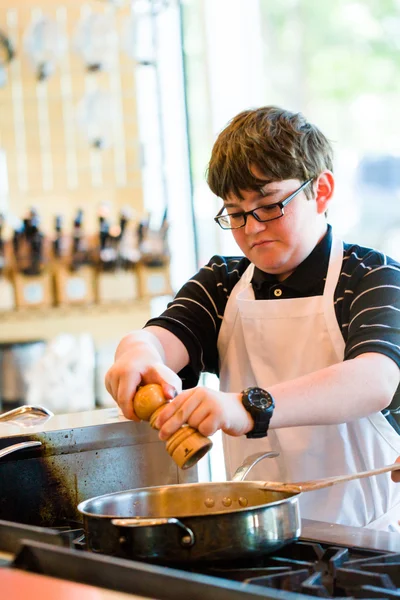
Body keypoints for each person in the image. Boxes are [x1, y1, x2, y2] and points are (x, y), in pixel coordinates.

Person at [106, 106, 400, 531]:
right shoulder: (224, 283)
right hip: (258, 540)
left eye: (268, 205)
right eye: (235, 213)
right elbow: (159, 339)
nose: (251, 228)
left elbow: (374, 380)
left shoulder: (373, 277)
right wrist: (134, 353)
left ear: (321, 190)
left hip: (370, 547)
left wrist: (248, 407)